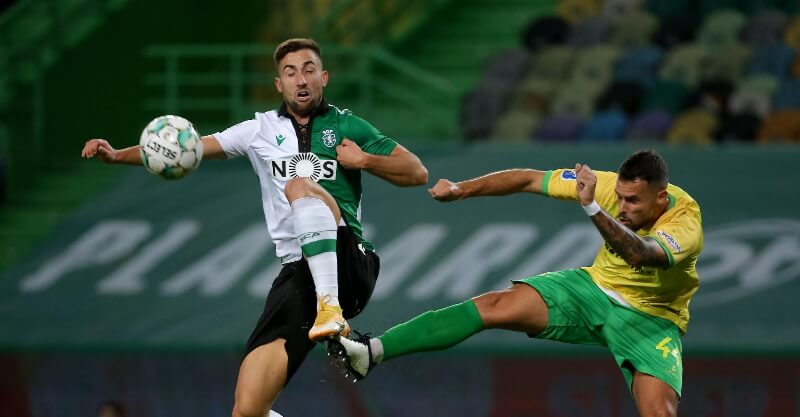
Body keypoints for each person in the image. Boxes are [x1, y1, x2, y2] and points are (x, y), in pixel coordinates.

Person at [81, 38, 428, 417]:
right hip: (298, 274)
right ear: (278, 83)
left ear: (324, 77)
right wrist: (118, 155)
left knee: (298, 183)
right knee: (248, 409)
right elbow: (189, 147)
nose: (301, 79)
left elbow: (416, 172)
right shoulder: (258, 130)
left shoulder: (347, 125)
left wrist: (364, 159)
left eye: (309, 69)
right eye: (290, 72)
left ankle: (330, 309)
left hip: (349, 264)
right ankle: (322, 310)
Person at [328, 149, 702, 417]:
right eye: (618, 198)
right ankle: (371, 352)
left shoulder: (684, 225)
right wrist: (462, 189)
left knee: (659, 413)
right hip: (593, 290)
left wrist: (592, 208)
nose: (622, 208)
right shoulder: (606, 187)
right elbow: (527, 178)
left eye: (633, 202)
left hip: (652, 320)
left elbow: (640, 254)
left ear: (661, 198)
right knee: (495, 305)